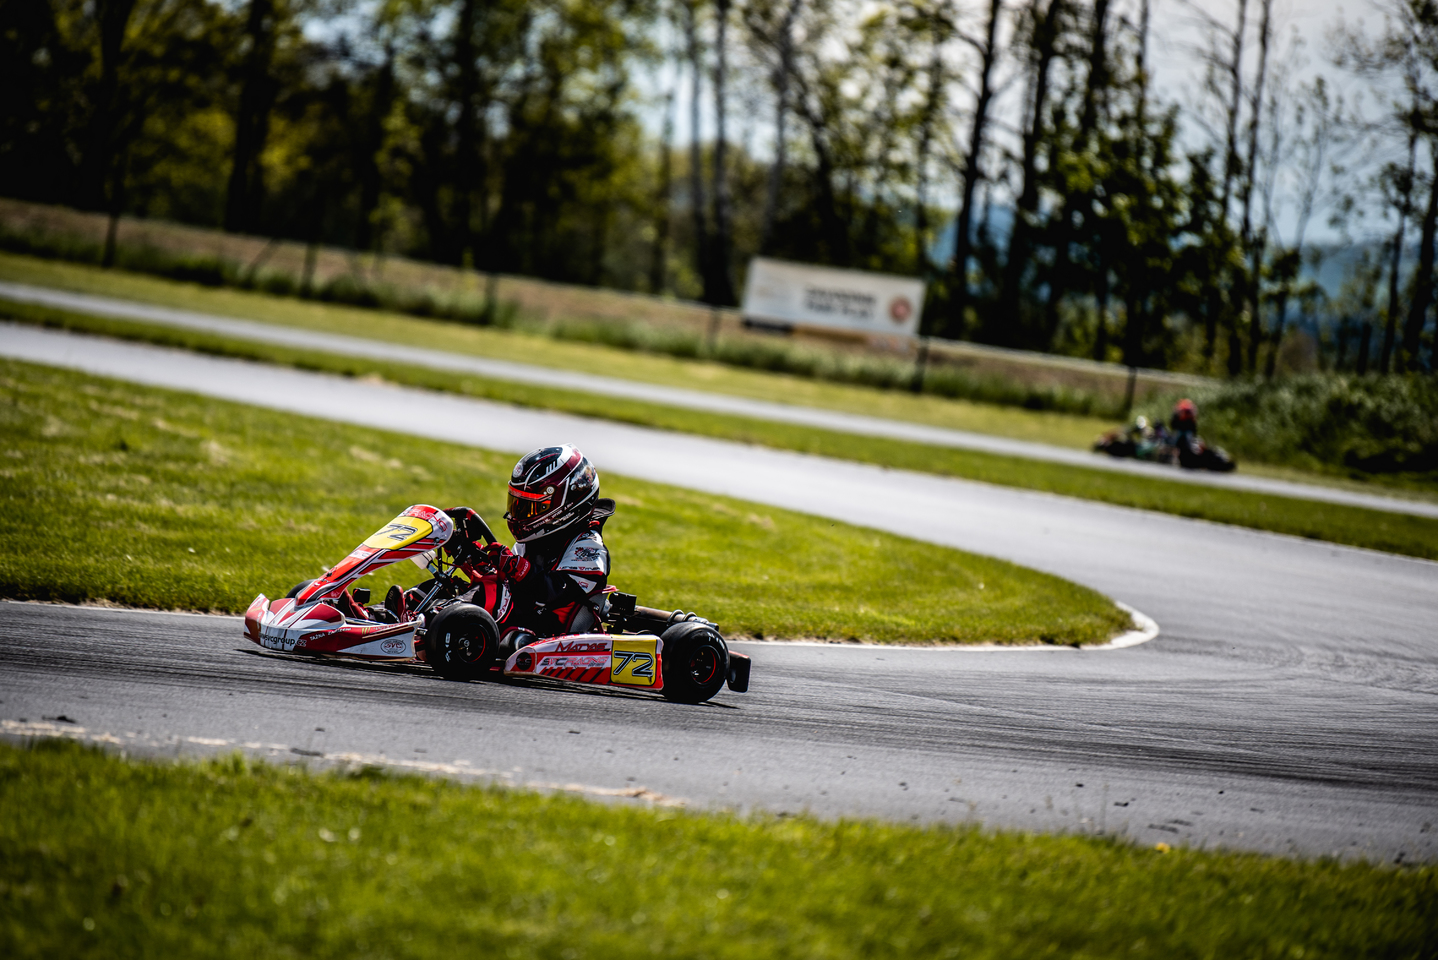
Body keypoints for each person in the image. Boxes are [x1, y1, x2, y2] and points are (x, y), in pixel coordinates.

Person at [441, 445, 615, 645]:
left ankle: (446, 624)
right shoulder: (536, 541)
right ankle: (424, 612)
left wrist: (516, 566)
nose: (520, 515)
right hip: (524, 613)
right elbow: (512, 581)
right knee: (452, 586)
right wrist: (475, 555)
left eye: (533, 507)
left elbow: (556, 591)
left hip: (547, 630)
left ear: (567, 506)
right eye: (518, 505)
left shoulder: (589, 547)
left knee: (494, 590)